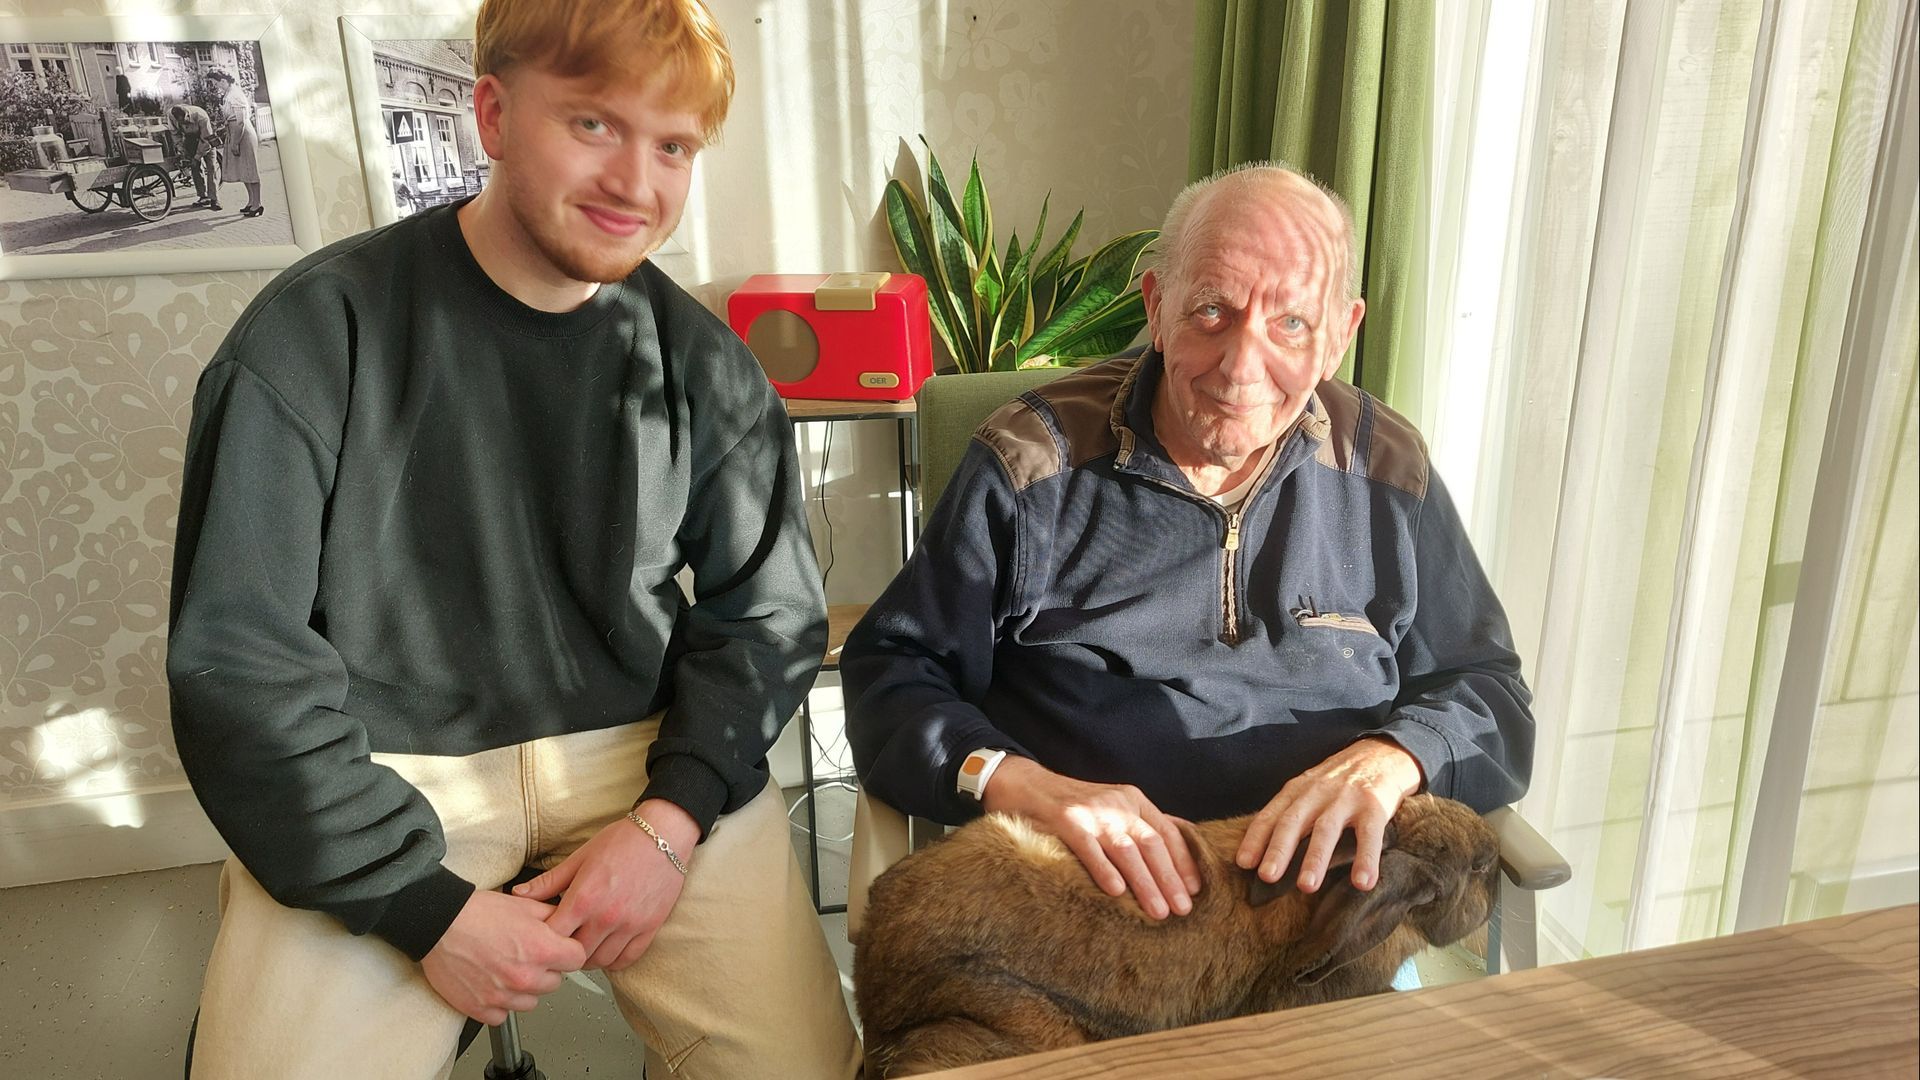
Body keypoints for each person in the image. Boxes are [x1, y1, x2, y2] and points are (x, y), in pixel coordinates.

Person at [168, 1, 861, 1076]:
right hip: (384, 767)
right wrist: (421, 908)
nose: (638, 183)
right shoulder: (312, 336)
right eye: (593, 124)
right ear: (492, 114)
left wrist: (670, 825)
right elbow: (237, 670)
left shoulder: (705, 365)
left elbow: (767, 616)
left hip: (639, 758)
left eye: (672, 145)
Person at [843, 163, 1533, 926]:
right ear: (1155, 304)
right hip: (1084, 911)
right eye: (1212, 310)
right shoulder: (1032, 463)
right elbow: (891, 679)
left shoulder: (1388, 471)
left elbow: (1492, 696)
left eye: (1292, 323)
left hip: (1321, 928)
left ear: (1340, 334)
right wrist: (1024, 785)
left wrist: (1394, 759)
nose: (1242, 367)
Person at [202, 69, 262, 217]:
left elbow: (241, 122)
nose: (215, 86)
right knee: (243, 171)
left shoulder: (235, 95)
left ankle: (258, 204)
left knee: (250, 170)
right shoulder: (229, 93)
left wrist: (235, 142)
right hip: (235, 133)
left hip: (242, 135)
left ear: (223, 81)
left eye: (215, 83)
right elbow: (233, 118)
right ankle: (251, 202)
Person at [168, 103, 220, 211]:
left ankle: (214, 199)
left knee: (211, 168)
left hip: (207, 138)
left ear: (187, 114)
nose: (183, 124)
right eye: (181, 123)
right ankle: (203, 197)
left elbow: (206, 140)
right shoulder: (171, 116)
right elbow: (175, 134)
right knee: (195, 168)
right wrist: (181, 150)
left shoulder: (201, 116)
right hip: (190, 139)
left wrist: (197, 157)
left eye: (185, 121)